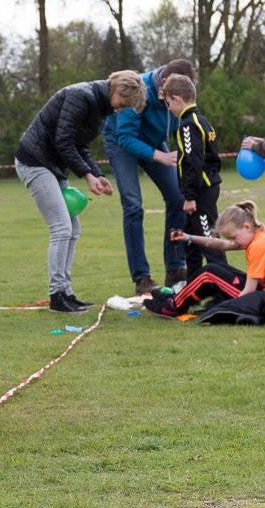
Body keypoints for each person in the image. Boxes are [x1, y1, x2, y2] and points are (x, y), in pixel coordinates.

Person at [15, 70, 147, 313]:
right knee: (61, 227)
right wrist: (86, 175)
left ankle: (66, 292)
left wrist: (97, 174)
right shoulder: (81, 96)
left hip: (53, 166)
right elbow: (63, 140)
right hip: (34, 161)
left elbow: (80, 145)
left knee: (72, 228)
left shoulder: (99, 107)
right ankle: (57, 295)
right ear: (116, 91)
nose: (121, 109)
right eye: (123, 103)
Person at [103, 59, 197, 294]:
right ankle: (142, 278)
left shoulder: (179, 91)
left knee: (178, 197)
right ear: (164, 83)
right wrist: (159, 156)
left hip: (154, 142)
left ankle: (175, 268)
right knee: (133, 205)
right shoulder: (139, 90)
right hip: (121, 143)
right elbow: (125, 137)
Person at [144, 201, 265, 318]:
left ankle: (172, 306)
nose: (233, 242)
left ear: (247, 227)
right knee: (218, 268)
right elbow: (221, 245)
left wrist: (225, 308)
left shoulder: (257, 246)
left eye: (233, 237)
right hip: (260, 293)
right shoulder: (257, 236)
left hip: (260, 300)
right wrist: (189, 237)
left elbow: (249, 290)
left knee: (208, 274)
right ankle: (176, 298)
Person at [160, 74, 226, 276]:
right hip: (203, 190)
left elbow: (193, 161)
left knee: (209, 243)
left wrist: (189, 196)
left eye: (169, 103)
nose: (169, 108)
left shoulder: (188, 124)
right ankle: (194, 288)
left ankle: (224, 293)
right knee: (190, 242)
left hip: (200, 194)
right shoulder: (202, 121)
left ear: (177, 98)